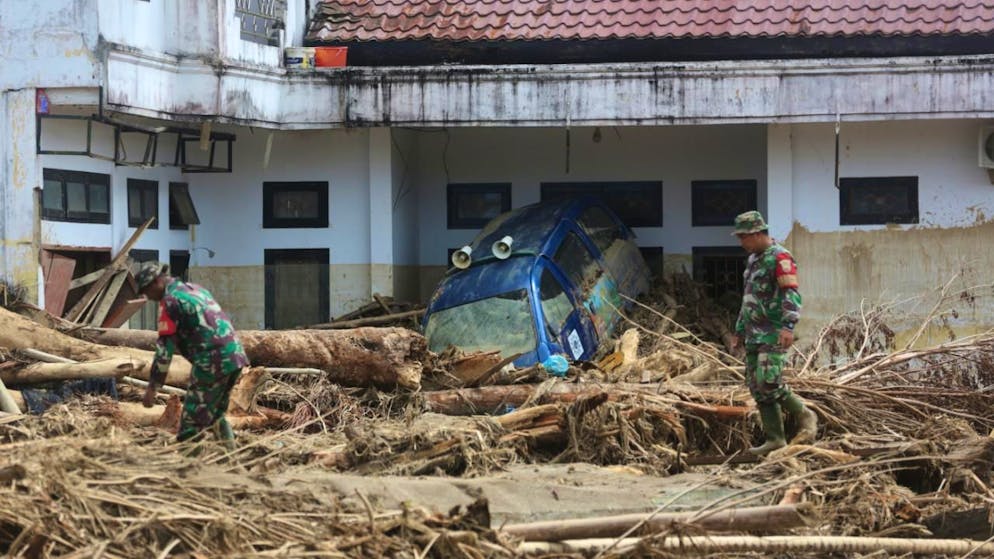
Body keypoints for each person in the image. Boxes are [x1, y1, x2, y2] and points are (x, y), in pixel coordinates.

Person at [730, 211, 817, 456]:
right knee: (756, 387)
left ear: (758, 233)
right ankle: (775, 439)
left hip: (773, 333)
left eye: (744, 237)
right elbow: (748, 298)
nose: (742, 243)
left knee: (769, 382)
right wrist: (739, 331)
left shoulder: (780, 257)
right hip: (753, 333)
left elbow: (791, 294)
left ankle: (805, 414)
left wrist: (788, 326)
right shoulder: (753, 260)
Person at [136, 262, 249, 449]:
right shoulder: (195, 289)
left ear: (156, 282)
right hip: (235, 356)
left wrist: (153, 387)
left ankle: (187, 464)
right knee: (216, 415)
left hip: (212, 361)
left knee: (191, 421)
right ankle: (231, 458)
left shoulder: (170, 301)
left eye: (146, 292)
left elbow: (164, 349)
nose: (148, 297)